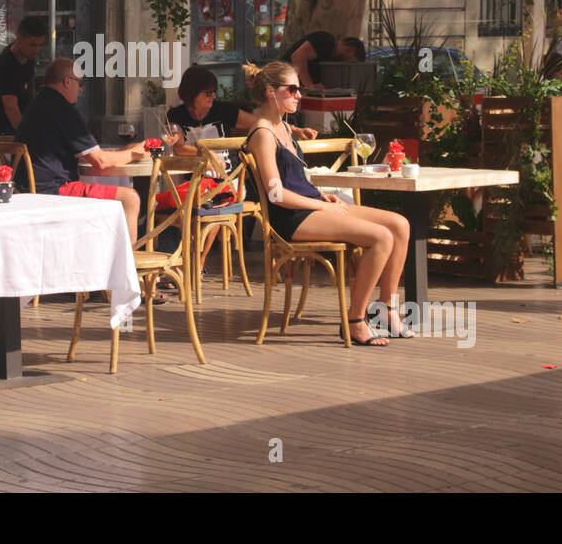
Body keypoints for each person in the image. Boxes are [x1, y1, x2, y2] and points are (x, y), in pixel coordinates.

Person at [242, 61, 410, 346]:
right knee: (380, 237)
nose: (299, 95)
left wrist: (321, 197)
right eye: (292, 89)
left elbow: (294, 177)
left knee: (400, 225)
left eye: (299, 89)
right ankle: (355, 321)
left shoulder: (282, 126)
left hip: (310, 205)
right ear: (271, 92)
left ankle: (385, 310)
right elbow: (276, 194)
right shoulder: (262, 134)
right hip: (292, 217)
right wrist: (321, 206)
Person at [15, 58, 147, 242]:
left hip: (26, 189)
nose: (81, 89)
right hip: (53, 191)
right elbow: (100, 162)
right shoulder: (62, 109)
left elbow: (89, 157)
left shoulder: (38, 104)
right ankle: (130, 267)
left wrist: (121, 152)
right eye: (80, 83)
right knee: (130, 198)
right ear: (67, 81)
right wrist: (134, 152)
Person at [167, 65, 315, 154]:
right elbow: (179, 148)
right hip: (194, 180)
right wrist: (205, 153)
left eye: (214, 91)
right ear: (192, 92)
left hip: (228, 178)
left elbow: (263, 123)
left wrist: (296, 130)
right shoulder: (176, 115)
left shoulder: (222, 110)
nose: (213, 96)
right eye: (208, 93)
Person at [0, 16, 47, 136]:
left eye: (40, 45)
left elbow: (30, 92)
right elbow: (10, 108)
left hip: (16, 124)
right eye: (33, 45)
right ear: (19, 38)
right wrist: (28, 135)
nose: (37, 50)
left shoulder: (28, 59)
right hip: (3, 128)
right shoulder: (6, 65)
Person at [279, 31, 348, 90]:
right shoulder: (327, 40)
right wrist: (309, 85)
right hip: (283, 82)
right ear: (351, 50)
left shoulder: (331, 54)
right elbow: (298, 57)